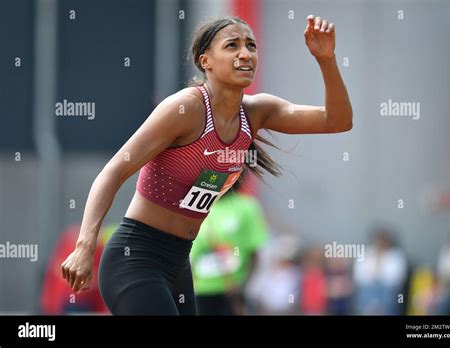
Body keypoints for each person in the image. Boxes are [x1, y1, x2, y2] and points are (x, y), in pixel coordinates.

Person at [60, 15, 352, 315]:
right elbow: (112, 172)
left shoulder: (257, 112)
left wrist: (326, 60)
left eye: (251, 45)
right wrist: (84, 247)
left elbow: (338, 121)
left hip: (179, 264)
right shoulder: (185, 109)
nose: (245, 53)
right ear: (206, 61)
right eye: (232, 45)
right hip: (135, 259)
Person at [190, 172, 268, 315]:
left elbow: (255, 253)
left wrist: (243, 287)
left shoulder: (247, 207)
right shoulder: (197, 204)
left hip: (230, 291)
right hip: (199, 291)